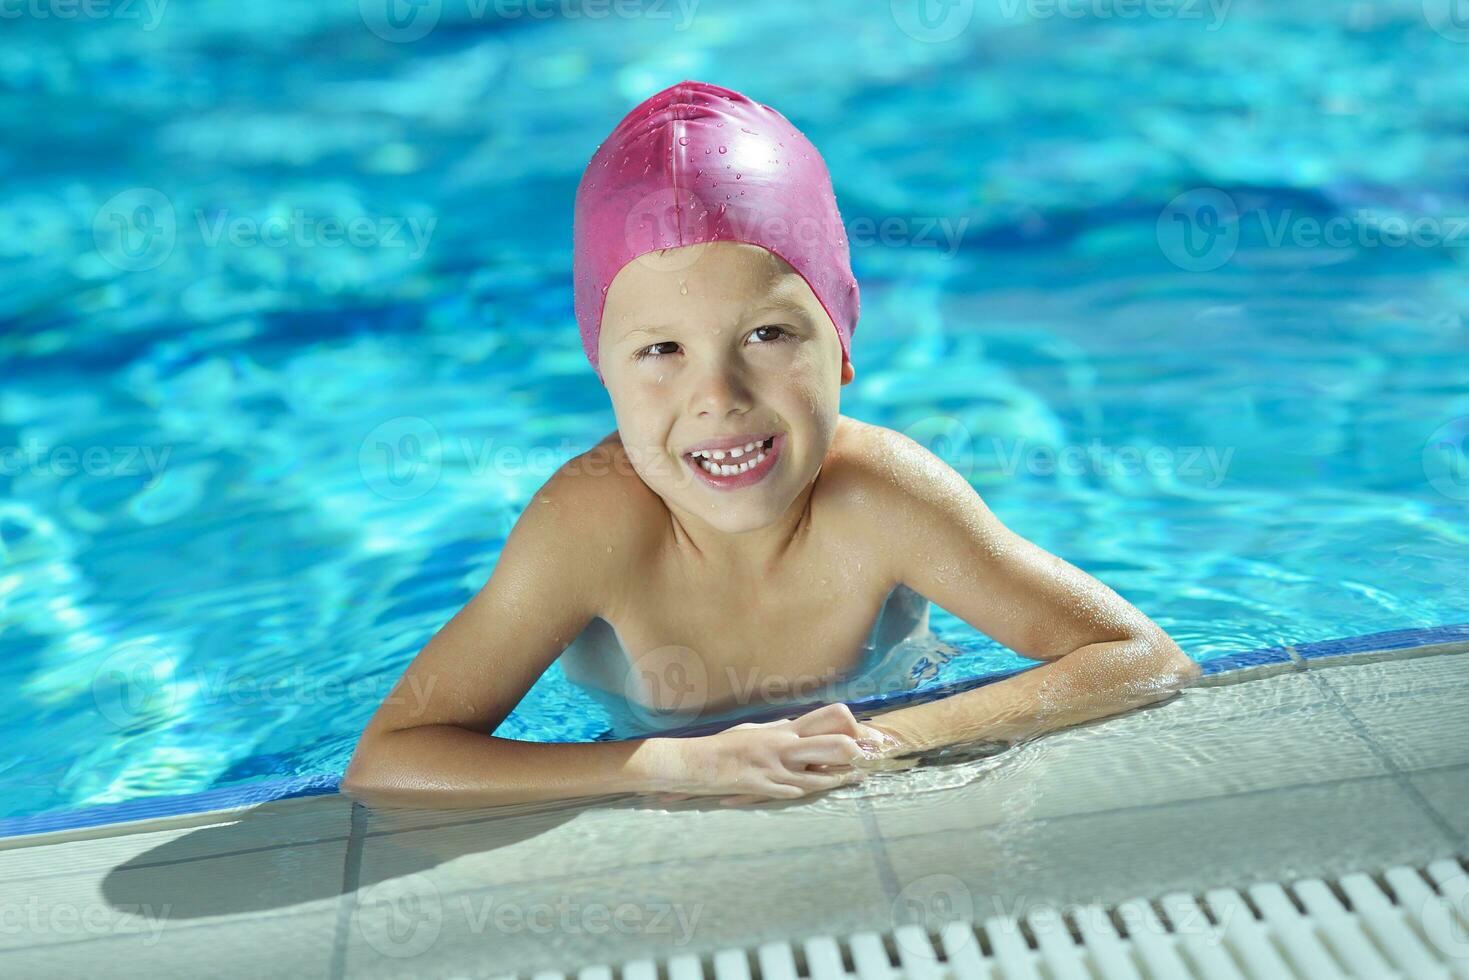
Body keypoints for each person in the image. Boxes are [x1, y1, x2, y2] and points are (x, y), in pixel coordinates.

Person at [341, 80, 1200, 810]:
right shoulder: (589, 527)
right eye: (661, 351)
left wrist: (875, 742)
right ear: (599, 368)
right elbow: (391, 760)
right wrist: (672, 763)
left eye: (765, 334)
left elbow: (1140, 657)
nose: (717, 397)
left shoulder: (883, 495)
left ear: (843, 340)